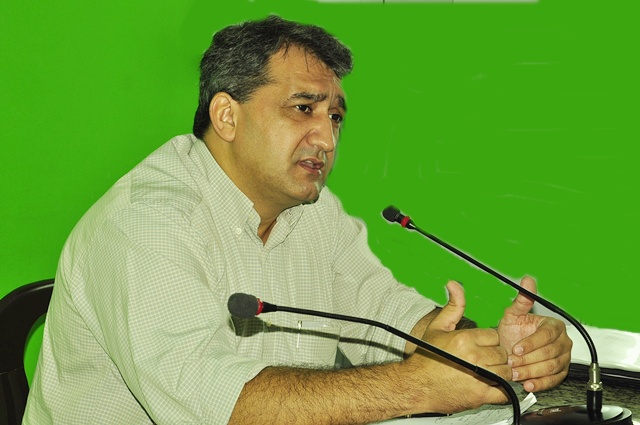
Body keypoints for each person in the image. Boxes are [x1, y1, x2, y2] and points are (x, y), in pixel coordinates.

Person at [24, 15, 572, 425]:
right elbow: (214, 404)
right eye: (303, 109)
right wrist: (419, 386)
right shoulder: (145, 222)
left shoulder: (312, 211)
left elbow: (384, 316)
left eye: (335, 117)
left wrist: (491, 351)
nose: (327, 138)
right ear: (227, 115)